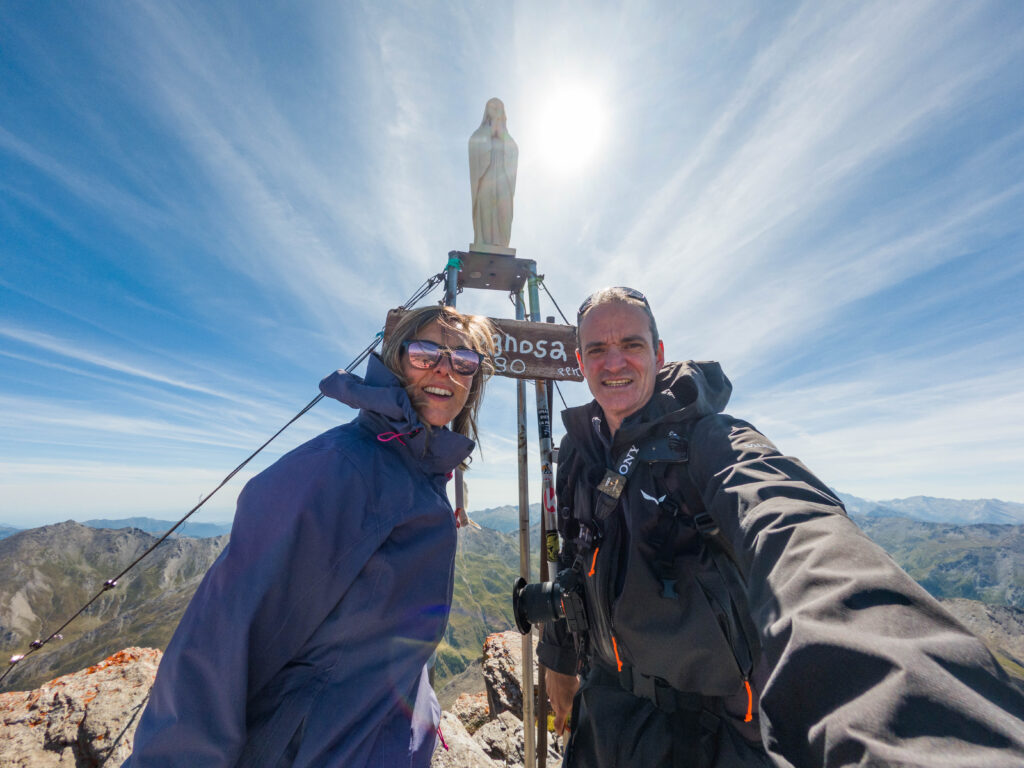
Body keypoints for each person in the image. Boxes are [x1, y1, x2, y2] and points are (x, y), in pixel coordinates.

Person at [537, 286, 1024, 767]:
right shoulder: (579, 454)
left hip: (711, 740)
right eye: (597, 349)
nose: (613, 362)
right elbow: (571, 561)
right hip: (605, 720)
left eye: (631, 345)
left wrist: (905, 704)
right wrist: (559, 660)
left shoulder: (712, 443)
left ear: (659, 354)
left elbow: (797, 531)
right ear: (581, 362)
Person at [123, 305, 496, 767]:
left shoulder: (416, 473)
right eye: (425, 352)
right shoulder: (341, 468)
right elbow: (219, 639)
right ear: (394, 360)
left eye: (464, 361)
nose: (445, 368)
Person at [468, 97, 518, 248]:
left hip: (503, 178)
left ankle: (502, 244)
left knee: (504, 211)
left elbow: (514, 152)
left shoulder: (506, 137)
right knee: (486, 208)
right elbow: (474, 148)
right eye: (492, 107)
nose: (495, 110)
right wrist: (490, 133)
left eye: (499, 108)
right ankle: (484, 242)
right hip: (486, 176)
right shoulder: (480, 133)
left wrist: (501, 134)